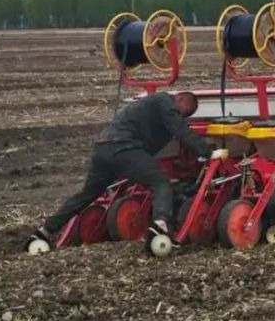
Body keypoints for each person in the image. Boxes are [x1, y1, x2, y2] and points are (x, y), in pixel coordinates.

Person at [25, 91, 226, 252]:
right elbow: (181, 130)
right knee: (161, 184)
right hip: (124, 147)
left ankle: (45, 230)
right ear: (180, 98)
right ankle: (160, 228)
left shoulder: (149, 108)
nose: (183, 116)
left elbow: (167, 135)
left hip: (103, 149)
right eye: (185, 112)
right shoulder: (164, 101)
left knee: (88, 194)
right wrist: (208, 153)